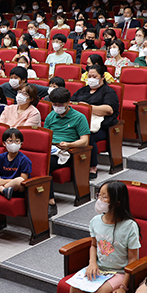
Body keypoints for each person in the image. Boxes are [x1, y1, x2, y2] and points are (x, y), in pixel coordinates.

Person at [44, 87, 90, 218]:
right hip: (51, 149)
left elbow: (85, 141)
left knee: (43, 166)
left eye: (60, 104)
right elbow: (45, 135)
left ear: (68, 102)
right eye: (54, 104)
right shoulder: (51, 116)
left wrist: (69, 145)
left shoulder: (79, 117)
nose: (57, 107)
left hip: (68, 152)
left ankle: (51, 203)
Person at [72, 63, 120, 176]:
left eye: (95, 77)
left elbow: (109, 110)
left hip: (101, 126)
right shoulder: (82, 90)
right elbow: (71, 103)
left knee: (88, 136)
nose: (91, 79)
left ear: (102, 77)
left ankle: (92, 167)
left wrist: (87, 108)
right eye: (89, 76)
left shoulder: (108, 91)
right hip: (80, 122)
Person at [0, 128, 33, 200]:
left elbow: (24, 179)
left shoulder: (24, 160)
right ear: (4, 143)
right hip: (1, 182)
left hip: (15, 186)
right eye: (10, 141)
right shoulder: (1, 156)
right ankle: (3, 191)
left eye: (17, 141)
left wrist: (4, 182)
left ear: (21, 144)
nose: (13, 144)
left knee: (19, 180)